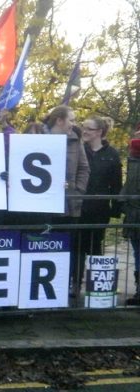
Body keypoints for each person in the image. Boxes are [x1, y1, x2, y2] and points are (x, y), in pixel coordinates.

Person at [44, 105, 90, 295]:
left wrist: (77, 191)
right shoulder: (39, 137)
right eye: (71, 119)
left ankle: (62, 288)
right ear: (59, 120)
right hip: (43, 206)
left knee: (66, 247)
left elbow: (84, 168)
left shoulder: (75, 140)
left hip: (68, 205)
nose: (74, 123)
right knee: (44, 246)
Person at [77, 116, 122, 284]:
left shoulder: (112, 154)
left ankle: (96, 286)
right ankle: (75, 283)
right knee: (78, 246)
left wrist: (116, 209)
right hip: (79, 206)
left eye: (89, 128)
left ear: (99, 132)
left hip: (99, 209)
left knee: (95, 246)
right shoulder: (79, 149)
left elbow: (116, 184)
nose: (84, 131)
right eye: (83, 127)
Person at [123, 138, 140, 303]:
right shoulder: (133, 161)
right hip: (133, 212)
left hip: (135, 212)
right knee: (137, 253)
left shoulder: (134, 161)